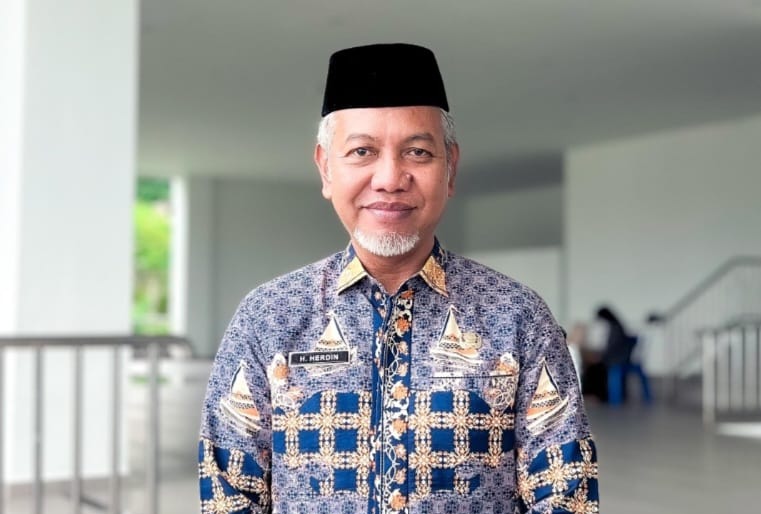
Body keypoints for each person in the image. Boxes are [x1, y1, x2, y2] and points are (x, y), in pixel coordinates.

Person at [198, 43, 599, 514]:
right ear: (326, 168)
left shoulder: (516, 315)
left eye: (418, 152)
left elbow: (565, 492)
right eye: (362, 151)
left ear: (450, 168)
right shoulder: (268, 316)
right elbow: (229, 493)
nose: (390, 178)